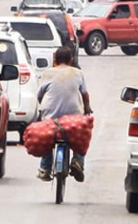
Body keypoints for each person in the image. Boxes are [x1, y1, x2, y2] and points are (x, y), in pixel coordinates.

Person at [36, 46, 93, 183]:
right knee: (82, 136)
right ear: (71, 60)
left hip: (51, 118)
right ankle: (78, 162)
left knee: (47, 137)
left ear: (55, 59)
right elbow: (85, 95)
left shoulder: (47, 73)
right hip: (73, 118)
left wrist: (43, 109)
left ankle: (45, 168)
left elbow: (39, 96)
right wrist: (87, 109)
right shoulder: (77, 73)